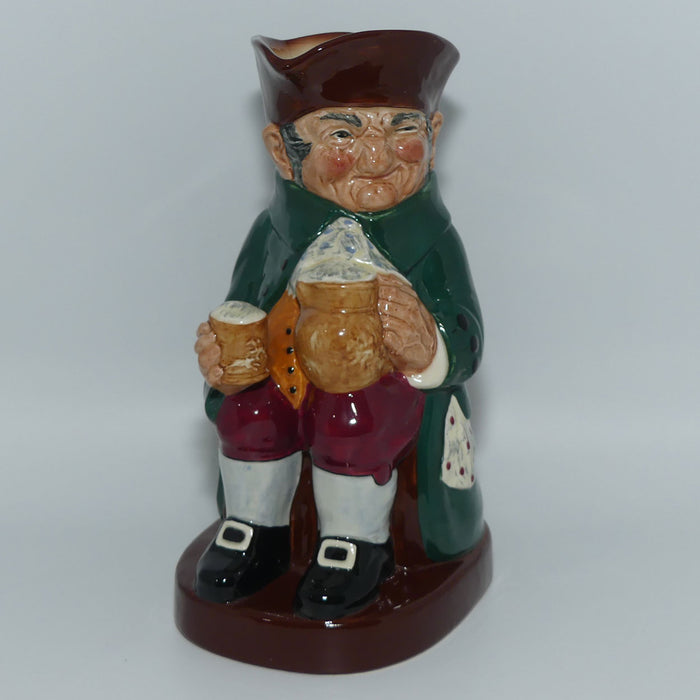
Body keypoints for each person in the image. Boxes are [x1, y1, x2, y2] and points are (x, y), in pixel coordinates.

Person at [193, 30, 485, 620]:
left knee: (353, 416)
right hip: (283, 378)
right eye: (344, 135)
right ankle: (255, 529)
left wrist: (428, 346)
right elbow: (243, 300)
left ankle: (355, 543)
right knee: (249, 412)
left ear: (434, 137)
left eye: (402, 130)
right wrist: (222, 358)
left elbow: (467, 335)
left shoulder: (430, 240)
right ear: (283, 153)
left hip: (382, 398)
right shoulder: (274, 234)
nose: (378, 158)